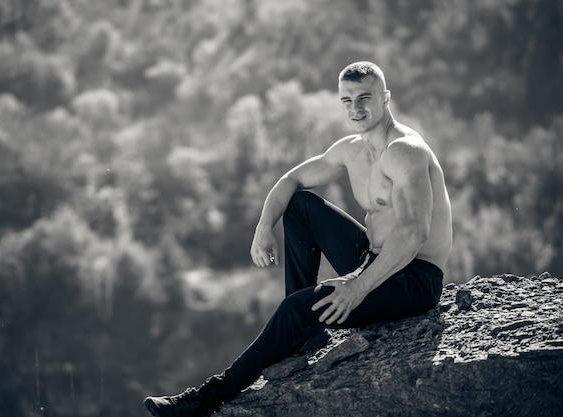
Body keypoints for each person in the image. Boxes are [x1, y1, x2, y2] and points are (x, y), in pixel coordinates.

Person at [144, 61, 452, 417]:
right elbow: (290, 180)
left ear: (385, 98)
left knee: (294, 309)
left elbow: (415, 232)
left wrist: (357, 288)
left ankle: (206, 399)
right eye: (347, 100)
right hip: (375, 258)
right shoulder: (353, 149)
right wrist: (263, 227)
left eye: (365, 97)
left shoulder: (405, 151)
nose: (356, 108)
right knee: (300, 204)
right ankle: (305, 336)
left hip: (414, 278)